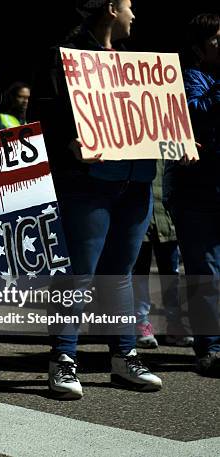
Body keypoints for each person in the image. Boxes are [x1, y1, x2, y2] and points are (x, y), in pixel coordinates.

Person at [35, 0, 162, 400]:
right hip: (88, 182)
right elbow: (46, 115)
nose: (134, 14)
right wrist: (66, 143)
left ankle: (124, 356)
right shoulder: (65, 59)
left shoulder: (129, 61)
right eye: (129, 7)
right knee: (79, 274)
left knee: (120, 273)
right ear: (111, 9)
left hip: (134, 181)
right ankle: (63, 359)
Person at [164, 12, 220, 377]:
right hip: (196, 192)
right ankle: (211, 348)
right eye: (217, 38)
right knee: (206, 272)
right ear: (200, 46)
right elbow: (194, 112)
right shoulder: (191, 77)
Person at [132, 162, 192, 349]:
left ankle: (175, 325)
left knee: (171, 275)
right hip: (140, 218)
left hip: (167, 218)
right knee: (139, 274)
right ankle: (141, 325)